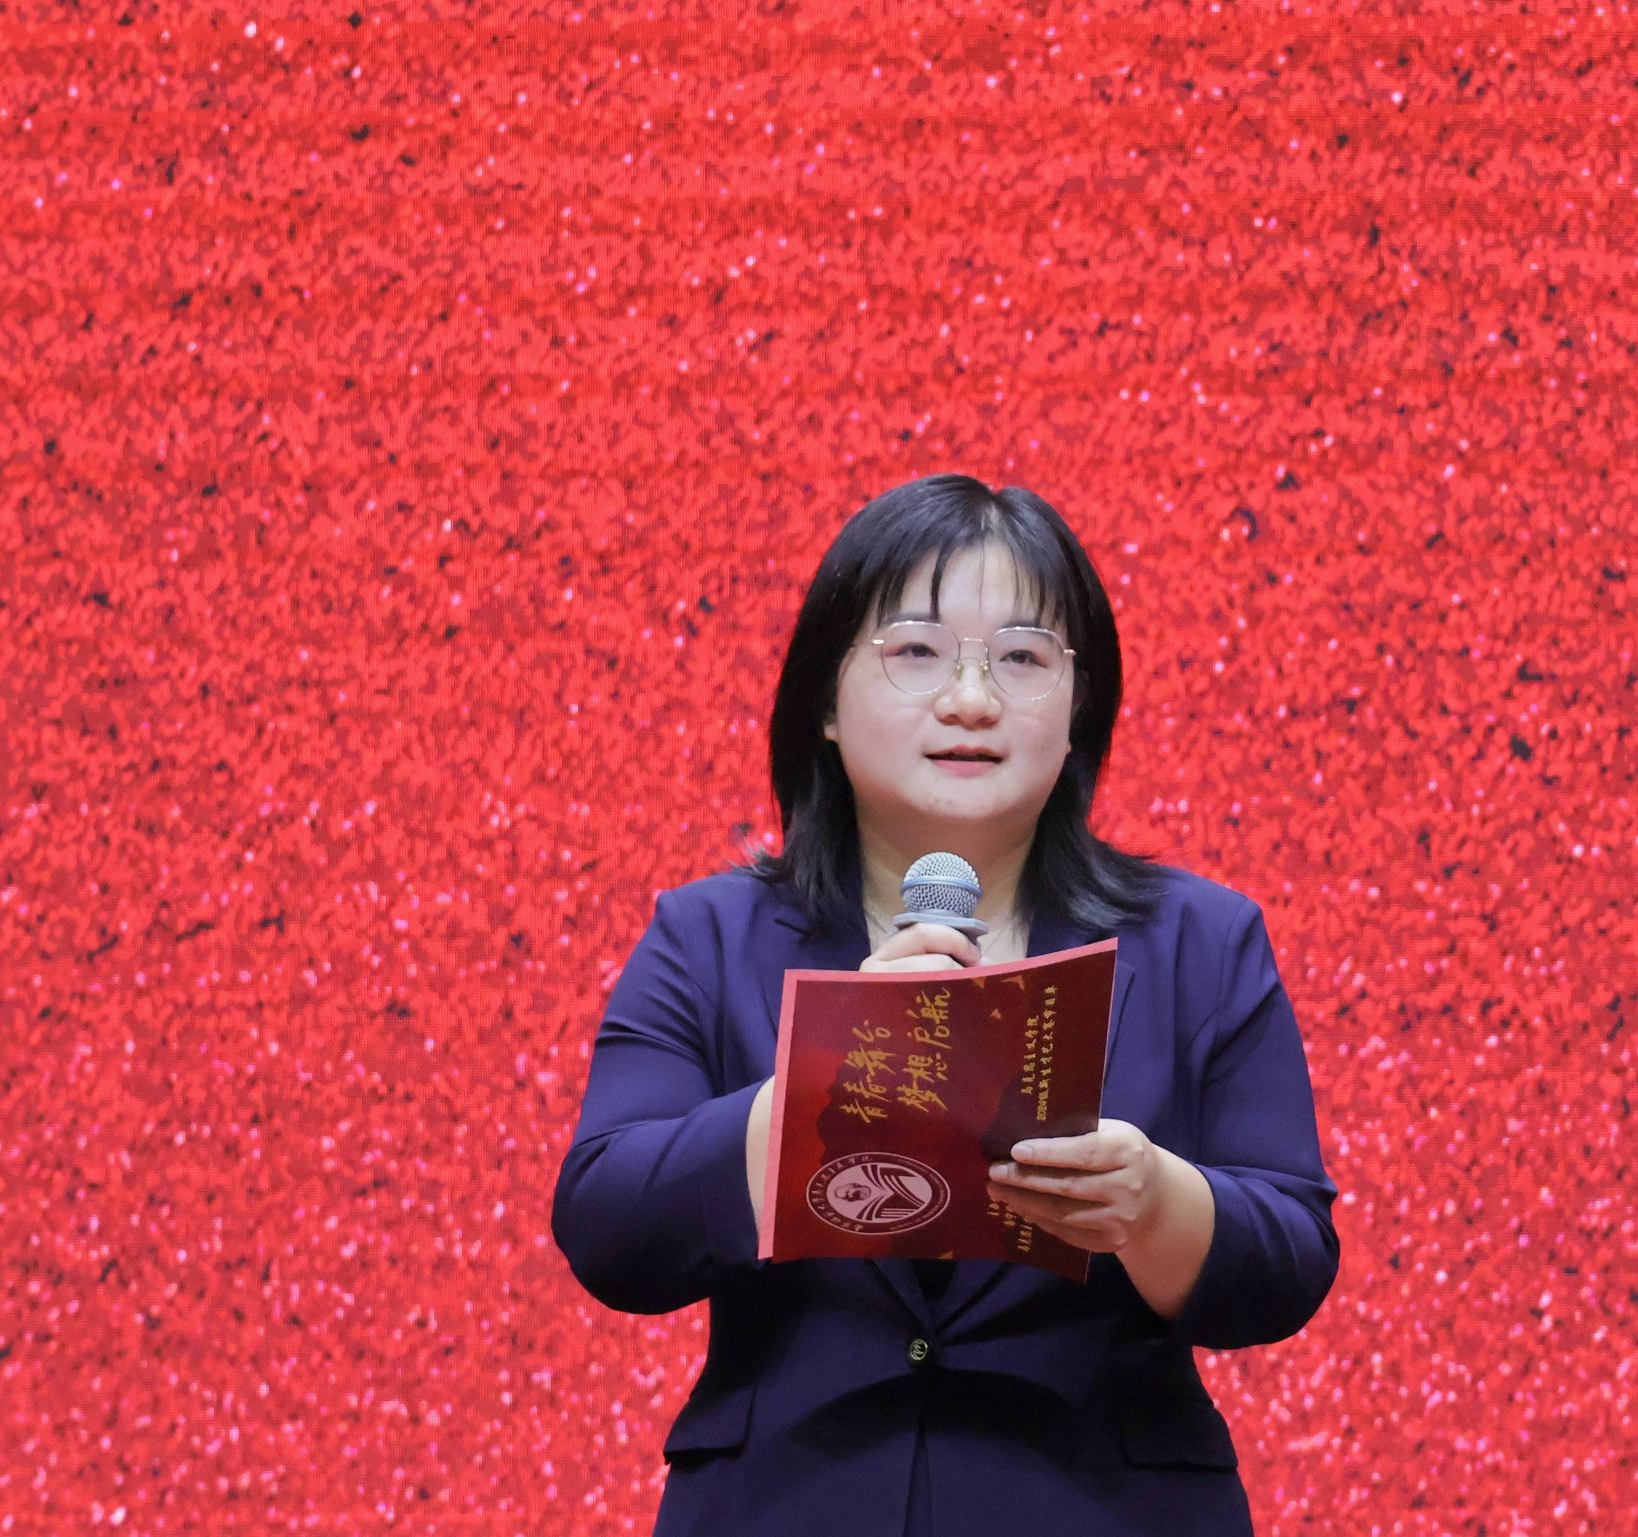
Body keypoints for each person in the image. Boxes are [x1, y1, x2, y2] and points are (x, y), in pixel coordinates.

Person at [551, 474, 1341, 1536]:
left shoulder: (1200, 940)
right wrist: (812, 1096)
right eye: (916, 651)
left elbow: (1289, 1258)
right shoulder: (709, 937)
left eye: (1021, 657)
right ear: (824, 702)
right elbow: (607, 1226)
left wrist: (1154, 1206)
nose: (971, 699)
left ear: (1079, 706)